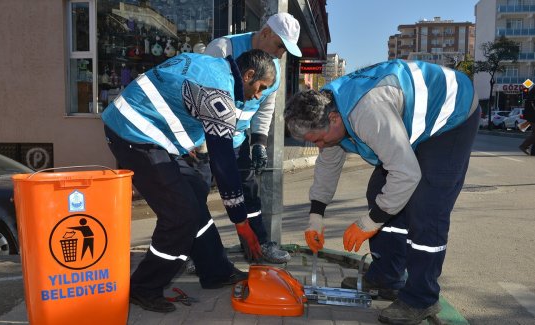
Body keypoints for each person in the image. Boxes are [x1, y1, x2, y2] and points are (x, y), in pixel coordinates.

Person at [284, 59, 479, 324]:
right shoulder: (326, 105)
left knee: (426, 206)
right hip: (408, 121)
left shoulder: (367, 111)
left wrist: (369, 222)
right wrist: (315, 216)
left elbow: (406, 174)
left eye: (318, 139)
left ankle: (421, 298)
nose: (319, 146)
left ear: (333, 118)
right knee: (379, 191)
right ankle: (388, 276)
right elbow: (327, 166)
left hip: (451, 113)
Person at [102, 49, 276, 313]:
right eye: (261, 87)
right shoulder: (219, 95)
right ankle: (143, 287)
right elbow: (224, 164)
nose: (258, 96)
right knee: (180, 215)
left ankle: (215, 270)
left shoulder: (213, 66)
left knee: (194, 194)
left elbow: (174, 94)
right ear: (249, 75)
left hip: (149, 134)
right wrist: (241, 222)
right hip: (132, 133)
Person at [195, 12, 303, 263]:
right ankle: (195, 253)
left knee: (249, 195)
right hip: (206, 137)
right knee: (196, 197)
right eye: (279, 46)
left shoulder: (273, 67)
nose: (280, 55)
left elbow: (265, 108)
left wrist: (258, 143)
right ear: (265, 32)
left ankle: (259, 245)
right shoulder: (223, 49)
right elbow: (198, 94)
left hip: (237, 139)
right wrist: (199, 144)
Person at [519, 88, 535, 155]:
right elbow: (532, 102)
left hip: (531, 114)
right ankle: (524, 146)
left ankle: (533, 151)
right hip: (532, 114)